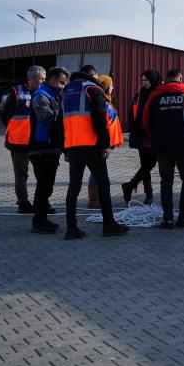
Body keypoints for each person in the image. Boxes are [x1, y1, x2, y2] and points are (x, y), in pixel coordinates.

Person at [62, 64, 129, 240]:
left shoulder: (67, 90)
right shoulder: (93, 89)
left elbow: (59, 121)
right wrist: (105, 144)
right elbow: (100, 117)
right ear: (92, 75)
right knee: (103, 185)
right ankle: (109, 225)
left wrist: (65, 148)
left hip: (72, 146)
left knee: (73, 188)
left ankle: (71, 228)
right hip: (92, 146)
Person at [143, 69, 184, 229]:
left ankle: (168, 218)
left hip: (162, 146)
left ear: (167, 79)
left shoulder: (155, 94)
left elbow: (145, 119)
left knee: (166, 181)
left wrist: (154, 137)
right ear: (181, 78)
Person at [0, 65, 49, 214]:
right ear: (32, 79)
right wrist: (18, 130)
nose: (43, 82)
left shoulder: (44, 93)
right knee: (21, 174)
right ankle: (23, 202)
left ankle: (42, 202)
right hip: (19, 142)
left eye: (44, 79)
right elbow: (5, 116)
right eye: (41, 79)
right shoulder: (17, 92)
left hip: (38, 142)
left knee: (43, 173)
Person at [28, 67, 69, 234]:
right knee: (44, 185)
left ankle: (42, 217)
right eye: (61, 82)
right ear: (51, 80)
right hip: (41, 148)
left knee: (47, 185)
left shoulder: (54, 96)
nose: (63, 86)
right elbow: (45, 116)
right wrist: (62, 110)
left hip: (52, 148)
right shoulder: (41, 96)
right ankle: (39, 220)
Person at [122, 69, 162, 205]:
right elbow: (132, 115)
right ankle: (148, 194)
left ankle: (130, 186)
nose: (144, 83)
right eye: (142, 80)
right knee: (147, 166)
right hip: (143, 136)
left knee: (148, 165)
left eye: (146, 80)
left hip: (155, 136)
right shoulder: (138, 95)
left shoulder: (159, 95)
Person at [87, 75, 124, 207]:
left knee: (96, 171)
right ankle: (94, 200)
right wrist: (105, 143)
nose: (113, 87)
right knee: (96, 171)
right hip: (101, 143)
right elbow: (102, 124)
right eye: (111, 85)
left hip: (105, 142)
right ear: (106, 86)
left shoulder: (106, 101)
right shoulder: (102, 102)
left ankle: (95, 200)